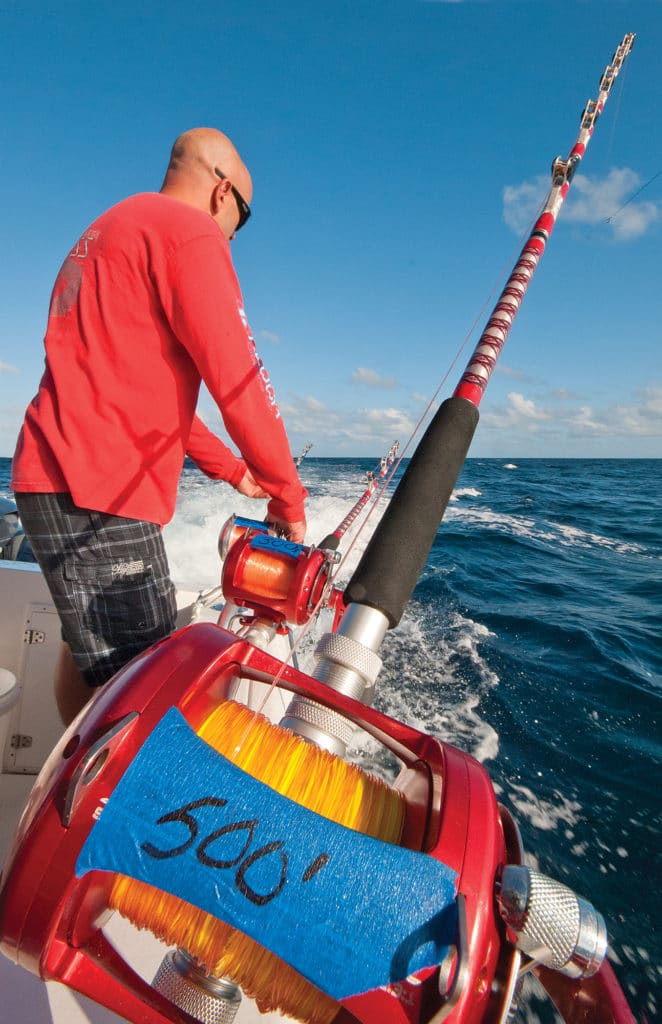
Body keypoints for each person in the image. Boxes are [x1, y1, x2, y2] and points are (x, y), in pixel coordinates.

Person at [11, 127, 307, 726]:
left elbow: (140, 395)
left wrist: (234, 471)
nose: (233, 235)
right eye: (240, 220)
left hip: (49, 479)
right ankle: (99, 816)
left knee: (89, 652)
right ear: (224, 193)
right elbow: (239, 379)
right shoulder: (191, 233)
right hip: (101, 495)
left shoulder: (108, 229)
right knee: (140, 698)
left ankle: (77, 773)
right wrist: (288, 496)